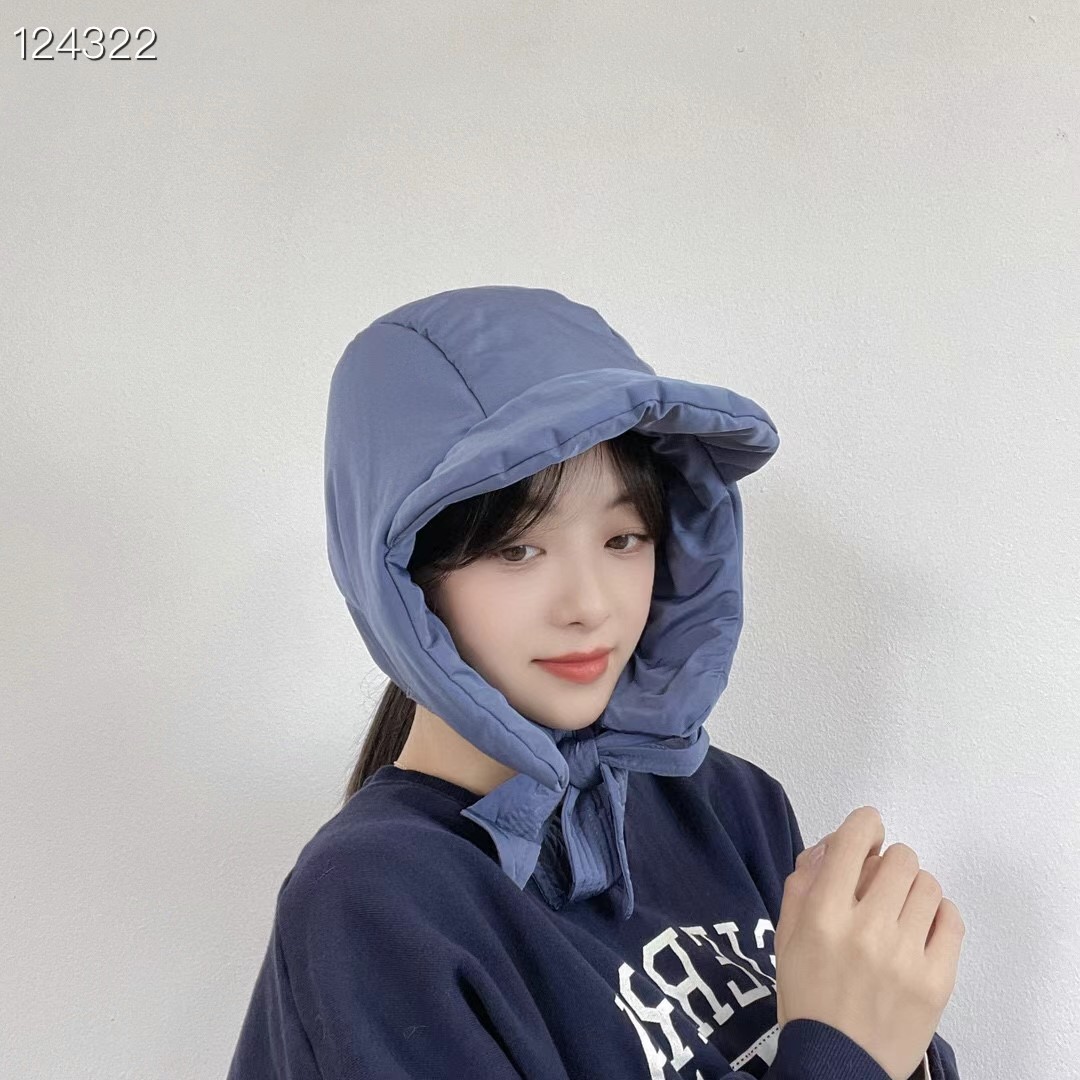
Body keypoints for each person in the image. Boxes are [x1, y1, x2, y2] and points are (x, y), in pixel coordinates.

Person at [225, 285, 964, 1079]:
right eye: (517, 549)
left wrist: (891, 1027)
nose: (590, 605)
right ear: (403, 581)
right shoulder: (374, 900)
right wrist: (847, 1051)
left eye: (623, 538)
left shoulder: (728, 803)